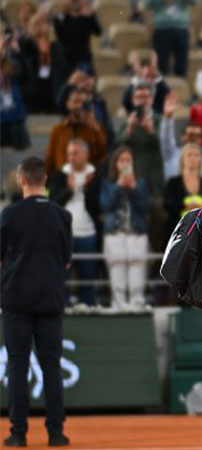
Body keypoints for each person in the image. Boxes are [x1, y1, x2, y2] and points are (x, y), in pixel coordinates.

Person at [1, 157, 71, 447]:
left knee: (18, 366)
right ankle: (56, 433)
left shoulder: (10, 214)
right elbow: (66, 262)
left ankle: (19, 433)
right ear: (44, 180)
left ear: (22, 180)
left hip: (17, 299)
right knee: (51, 366)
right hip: (51, 299)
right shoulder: (62, 215)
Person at [48, 139, 101, 307]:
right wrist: (69, 190)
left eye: (75, 153)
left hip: (89, 234)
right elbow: (52, 203)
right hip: (64, 235)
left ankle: (89, 309)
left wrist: (87, 188)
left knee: (88, 279)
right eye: (69, 153)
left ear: (86, 154)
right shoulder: (58, 175)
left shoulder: (96, 176)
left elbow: (99, 206)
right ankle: (62, 310)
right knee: (63, 278)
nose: (71, 157)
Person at [100, 146, 150, 310]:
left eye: (128, 160)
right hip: (115, 233)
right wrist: (118, 186)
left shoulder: (141, 182)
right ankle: (118, 303)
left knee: (137, 267)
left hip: (136, 232)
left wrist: (134, 188)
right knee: (117, 266)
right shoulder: (108, 183)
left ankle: (137, 302)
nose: (125, 163)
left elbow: (144, 207)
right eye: (122, 160)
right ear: (116, 164)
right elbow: (105, 205)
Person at [116, 82, 164, 194]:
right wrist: (129, 129)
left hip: (154, 180)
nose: (142, 100)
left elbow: (166, 148)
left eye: (146, 97)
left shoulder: (160, 120)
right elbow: (117, 149)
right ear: (133, 100)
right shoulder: (125, 122)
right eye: (138, 97)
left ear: (152, 99)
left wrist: (151, 131)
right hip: (132, 177)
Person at [163, 143, 202, 242]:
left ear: (201, 159)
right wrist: (185, 205)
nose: (193, 158)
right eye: (189, 155)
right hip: (177, 230)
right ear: (182, 159)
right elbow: (167, 204)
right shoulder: (173, 183)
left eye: (196, 155)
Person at [45, 88, 106, 174]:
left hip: (87, 179)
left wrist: (97, 129)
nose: (79, 106)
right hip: (62, 179)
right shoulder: (58, 130)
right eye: (75, 102)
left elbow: (102, 156)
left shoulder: (94, 129)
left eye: (82, 103)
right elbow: (50, 160)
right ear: (68, 104)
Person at [19, 11, 67, 113]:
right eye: (37, 23)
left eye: (43, 23)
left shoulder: (56, 47)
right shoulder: (26, 44)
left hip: (52, 90)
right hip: (32, 93)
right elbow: (24, 58)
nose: (40, 26)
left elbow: (62, 70)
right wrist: (31, 35)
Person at [56, 64, 114, 148]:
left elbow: (108, 129)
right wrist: (69, 85)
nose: (88, 81)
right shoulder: (72, 100)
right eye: (84, 78)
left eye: (90, 77)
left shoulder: (99, 101)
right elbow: (60, 104)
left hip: (97, 146)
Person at [161, 91, 202, 181]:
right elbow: (166, 139)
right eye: (189, 135)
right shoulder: (171, 154)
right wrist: (168, 117)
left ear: (201, 140)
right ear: (182, 137)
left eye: (196, 135)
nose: (193, 138)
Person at [145, 0, 195, 77]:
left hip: (181, 28)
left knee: (181, 65)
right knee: (161, 65)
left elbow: (194, 2)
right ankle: (161, 85)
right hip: (161, 29)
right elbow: (147, 4)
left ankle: (180, 85)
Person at [53, 0, 102, 73]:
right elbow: (60, 35)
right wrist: (67, 10)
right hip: (66, 59)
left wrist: (91, 15)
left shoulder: (87, 17)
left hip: (83, 59)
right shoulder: (60, 17)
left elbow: (98, 32)